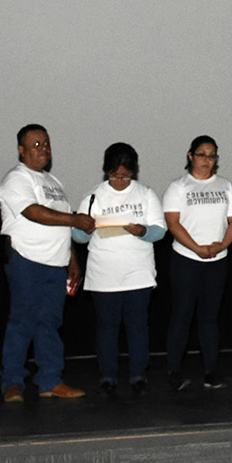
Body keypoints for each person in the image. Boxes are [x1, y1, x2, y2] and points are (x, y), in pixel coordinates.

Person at [0, 124, 94, 401]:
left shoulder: (54, 183)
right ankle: (12, 382)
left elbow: (62, 226)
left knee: (50, 323)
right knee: (22, 322)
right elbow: (33, 212)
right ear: (21, 150)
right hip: (27, 260)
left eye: (47, 144)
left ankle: (50, 380)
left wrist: (72, 259)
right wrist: (75, 219)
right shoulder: (17, 178)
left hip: (56, 262)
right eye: (36, 144)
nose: (44, 149)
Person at [76, 141, 164, 398]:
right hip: (104, 275)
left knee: (138, 326)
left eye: (125, 176)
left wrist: (143, 231)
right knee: (107, 326)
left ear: (134, 172)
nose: (120, 181)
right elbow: (78, 237)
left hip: (138, 273)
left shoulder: (145, 194)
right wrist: (86, 229)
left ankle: (138, 375)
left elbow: (159, 231)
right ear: (106, 171)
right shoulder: (93, 196)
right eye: (115, 176)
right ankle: (108, 376)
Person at [164, 136, 232, 391]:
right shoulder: (178, 187)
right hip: (186, 260)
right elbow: (173, 223)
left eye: (212, 156)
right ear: (190, 156)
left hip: (217, 261)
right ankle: (174, 371)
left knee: (209, 318)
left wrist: (221, 246)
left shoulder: (225, 185)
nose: (207, 160)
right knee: (182, 316)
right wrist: (197, 248)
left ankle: (211, 371)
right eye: (202, 155)